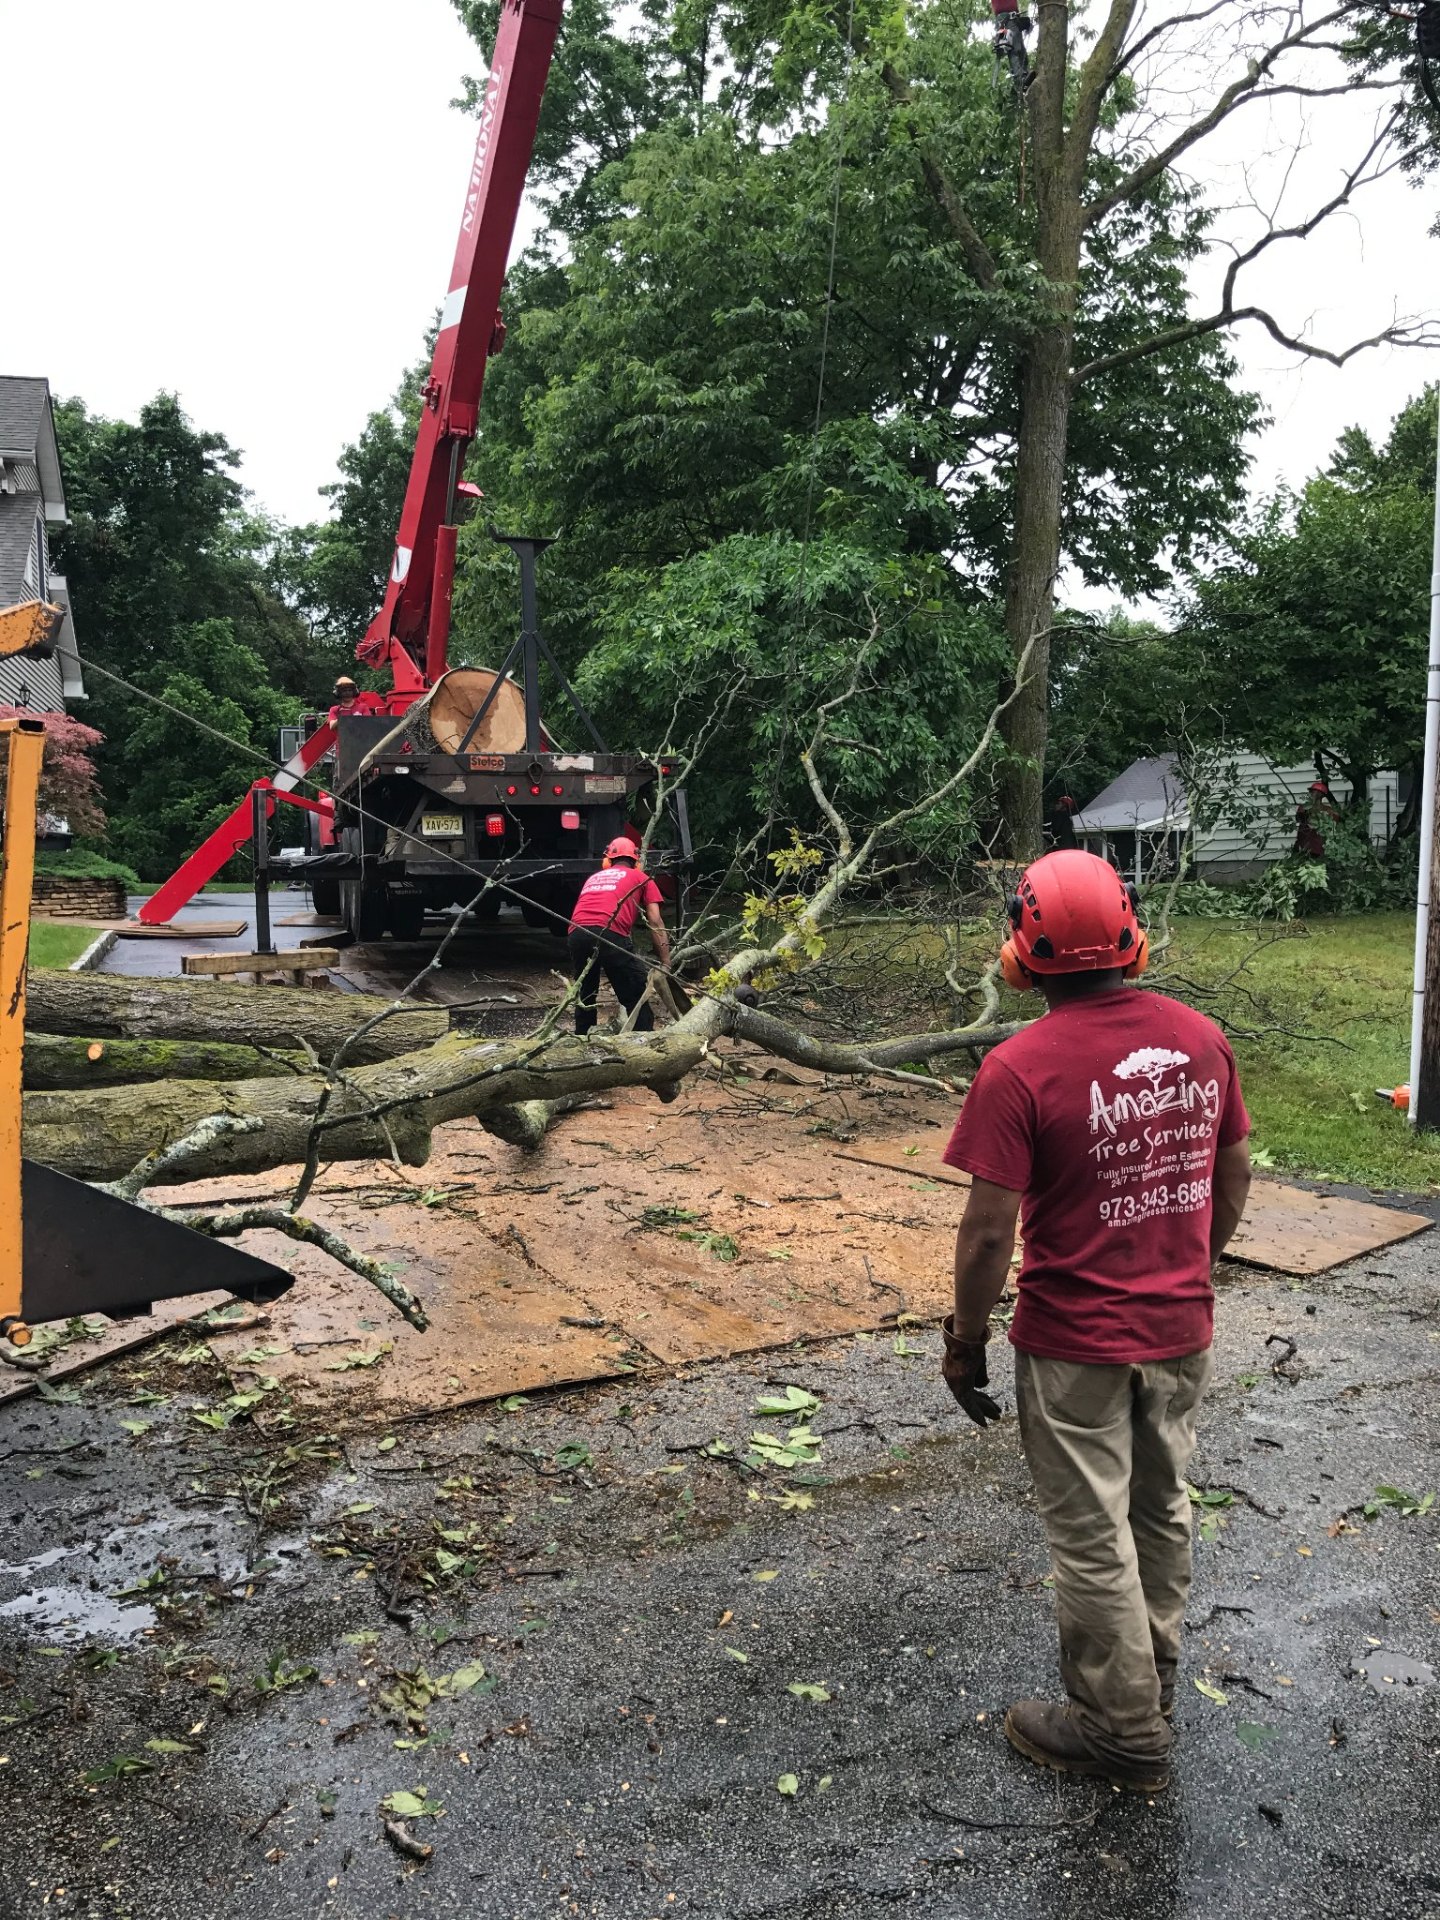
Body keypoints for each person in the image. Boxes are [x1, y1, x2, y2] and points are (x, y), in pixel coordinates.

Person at [938, 849, 1252, 1795]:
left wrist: (965, 1339)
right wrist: (1190, 1265)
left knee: (1089, 1531)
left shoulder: (1017, 1067)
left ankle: (1121, 1732)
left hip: (1073, 1342)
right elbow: (1232, 1178)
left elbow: (990, 1234)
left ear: (1020, 953)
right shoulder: (1202, 1038)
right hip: (1181, 1327)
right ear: (1132, 939)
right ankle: (1147, 1685)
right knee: (1160, 1505)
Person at [567, 837, 672, 1036]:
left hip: (576, 933)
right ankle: (645, 1041)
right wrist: (666, 961)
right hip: (609, 933)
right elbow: (655, 921)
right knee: (635, 993)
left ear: (608, 861)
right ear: (636, 862)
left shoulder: (594, 878)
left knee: (586, 992)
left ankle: (581, 1040)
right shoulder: (641, 878)